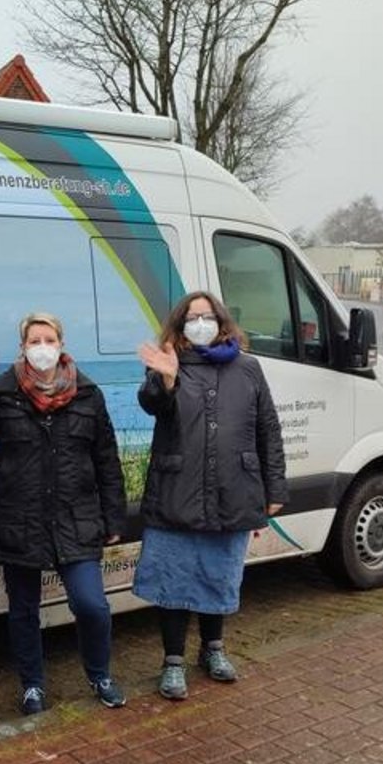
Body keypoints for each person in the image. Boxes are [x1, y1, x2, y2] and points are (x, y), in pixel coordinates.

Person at [0, 312, 128, 716]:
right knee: (24, 611)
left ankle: (99, 674)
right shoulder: (4, 390)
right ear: (24, 346)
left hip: (76, 518)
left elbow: (107, 459)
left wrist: (113, 518)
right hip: (19, 519)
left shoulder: (88, 393)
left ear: (61, 343)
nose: (42, 347)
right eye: (35, 340)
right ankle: (32, 686)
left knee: (91, 605)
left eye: (49, 339)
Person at [134, 291, 288, 701]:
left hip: (233, 489)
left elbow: (268, 430)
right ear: (179, 324)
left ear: (222, 321)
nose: (199, 323)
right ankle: (172, 661)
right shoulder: (169, 364)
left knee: (219, 575)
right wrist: (165, 380)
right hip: (177, 492)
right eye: (191, 317)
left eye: (207, 316)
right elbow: (152, 404)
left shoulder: (249, 368)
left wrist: (275, 487)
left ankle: (213, 649)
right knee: (174, 580)